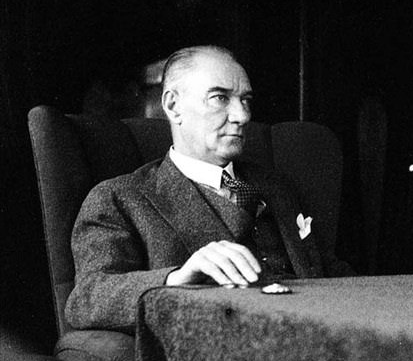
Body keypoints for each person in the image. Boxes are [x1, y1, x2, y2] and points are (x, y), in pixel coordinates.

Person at [65, 45, 353, 333]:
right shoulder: (118, 198)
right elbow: (87, 299)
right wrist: (177, 278)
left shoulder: (277, 187)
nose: (242, 115)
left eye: (245, 100)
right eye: (220, 98)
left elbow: (330, 273)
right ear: (173, 106)